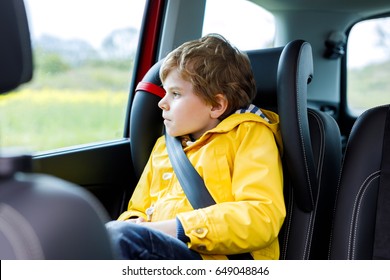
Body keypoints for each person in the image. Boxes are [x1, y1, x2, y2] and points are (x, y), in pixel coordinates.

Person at [105, 34, 285, 260]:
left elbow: (260, 217)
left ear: (216, 105)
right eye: (164, 92)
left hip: (215, 259)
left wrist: (177, 229)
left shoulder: (249, 134)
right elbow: (138, 207)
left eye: (176, 94)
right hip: (160, 249)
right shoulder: (164, 147)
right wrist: (133, 222)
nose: (162, 102)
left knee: (121, 238)